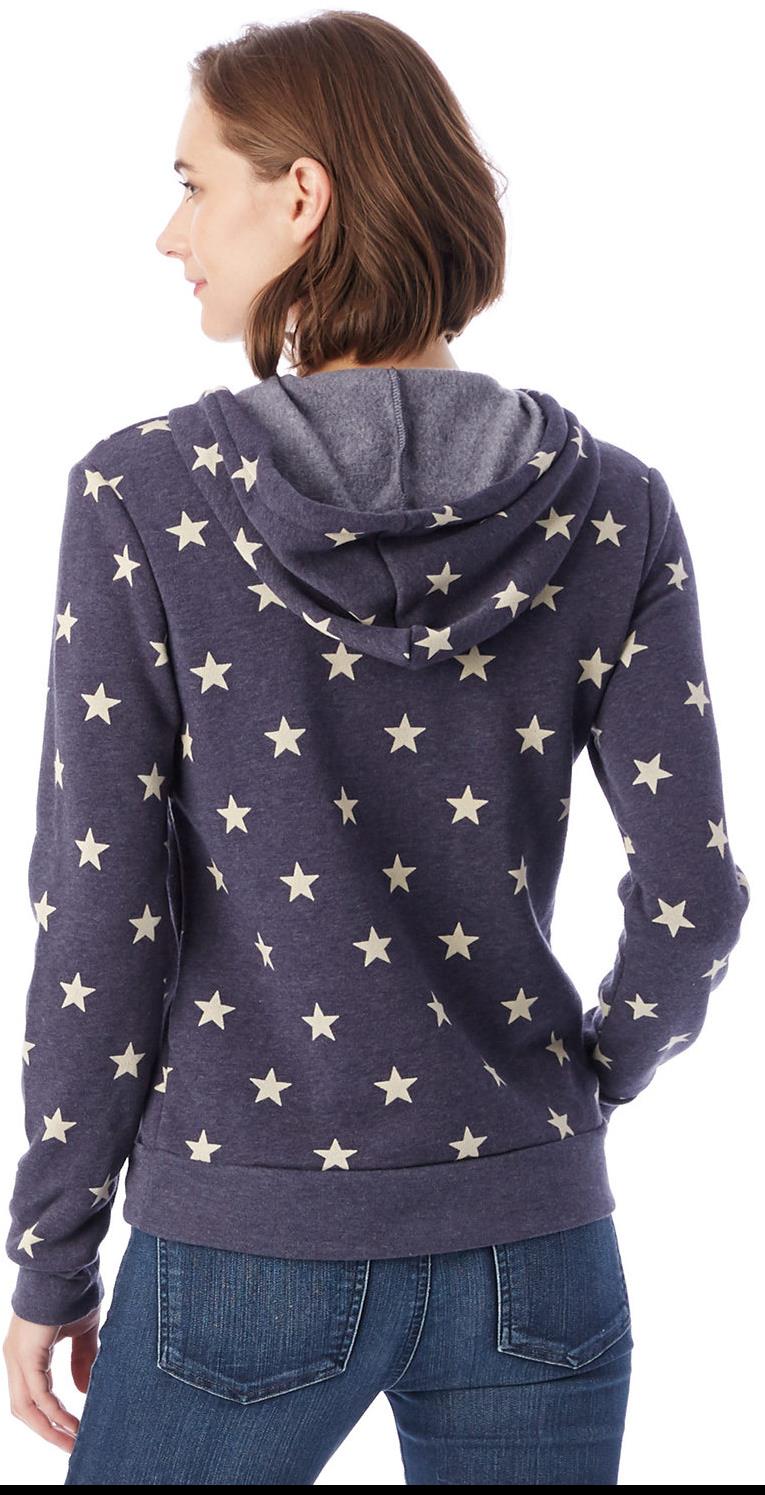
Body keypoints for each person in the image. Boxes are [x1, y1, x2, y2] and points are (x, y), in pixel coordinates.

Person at [3, 10, 750, 1486]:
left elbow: (101, 913)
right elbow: (694, 898)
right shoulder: (614, 506)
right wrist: (578, 1089)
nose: (169, 233)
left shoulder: (144, 495)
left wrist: (50, 1251)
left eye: (191, 182)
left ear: (301, 196)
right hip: (538, 1244)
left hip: (243, 1243)